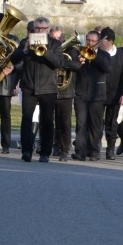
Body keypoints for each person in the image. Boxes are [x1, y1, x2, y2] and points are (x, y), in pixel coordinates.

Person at [9, 17, 63, 163]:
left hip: (48, 88)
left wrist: (46, 52)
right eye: (37, 29)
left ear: (48, 29)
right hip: (28, 86)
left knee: (46, 121)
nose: (40, 31)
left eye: (43, 29)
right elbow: (14, 59)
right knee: (26, 119)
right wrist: (24, 50)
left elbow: (59, 62)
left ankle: (45, 152)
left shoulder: (55, 44)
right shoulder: (25, 41)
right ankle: (27, 151)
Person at [72, 30, 111, 161]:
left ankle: (94, 151)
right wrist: (79, 62)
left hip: (97, 96)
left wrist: (93, 57)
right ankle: (80, 152)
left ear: (98, 42)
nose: (90, 43)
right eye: (88, 40)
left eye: (93, 41)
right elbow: (73, 69)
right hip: (81, 93)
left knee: (95, 125)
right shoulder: (78, 53)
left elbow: (107, 68)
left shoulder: (104, 55)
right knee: (81, 124)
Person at [0, 12, 22, 154]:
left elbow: (21, 61)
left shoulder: (14, 40)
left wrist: (13, 67)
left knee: (5, 114)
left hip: (7, 80)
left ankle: (6, 144)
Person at [98, 27, 123, 160]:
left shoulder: (122, 56)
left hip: (114, 94)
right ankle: (94, 148)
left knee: (112, 123)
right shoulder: (97, 52)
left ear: (110, 41)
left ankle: (110, 149)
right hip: (98, 94)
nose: (100, 42)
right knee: (96, 122)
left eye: (102, 40)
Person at [52, 26, 81, 161]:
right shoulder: (48, 50)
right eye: (54, 38)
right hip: (51, 90)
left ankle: (65, 149)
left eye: (59, 38)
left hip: (66, 91)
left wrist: (60, 62)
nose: (57, 40)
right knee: (52, 121)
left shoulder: (72, 51)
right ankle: (55, 145)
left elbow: (76, 66)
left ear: (63, 38)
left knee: (65, 123)